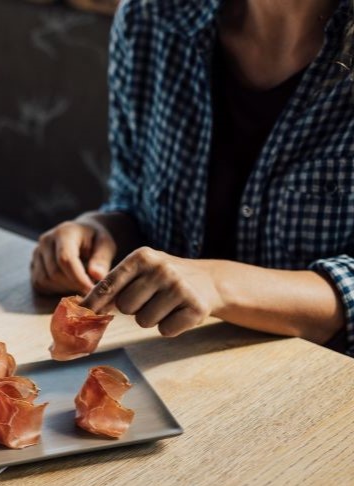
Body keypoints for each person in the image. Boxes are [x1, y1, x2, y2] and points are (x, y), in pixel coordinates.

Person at [31, 0, 354, 356]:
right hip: (169, 361)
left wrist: (218, 284)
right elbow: (132, 196)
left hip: (318, 380)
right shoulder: (150, 16)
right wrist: (104, 231)